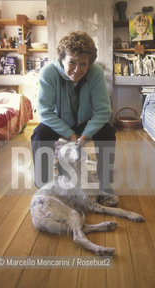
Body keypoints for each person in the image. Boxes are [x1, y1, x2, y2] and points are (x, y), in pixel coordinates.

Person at [31, 31, 116, 192]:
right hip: (59, 122)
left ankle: (105, 184)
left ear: (89, 63)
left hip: (86, 123)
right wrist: (68, 134)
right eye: (72, 63)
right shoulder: (48, 73)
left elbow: (103, 111)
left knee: (107, 132)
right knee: (39, 134)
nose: (77, 70)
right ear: (62, 59)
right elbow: (44, 112)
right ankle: (44, 186)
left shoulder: (96, 72)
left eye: (83, 64)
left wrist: (84, 135)